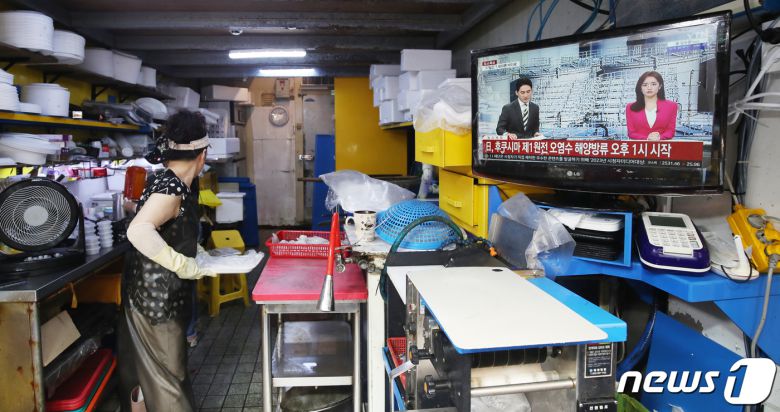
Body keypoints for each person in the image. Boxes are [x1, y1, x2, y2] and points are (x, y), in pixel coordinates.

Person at [118, 110, 216, 412]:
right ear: (202, 155)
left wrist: (195, 252)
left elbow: (170, 228)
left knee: (150, 377)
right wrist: (181, 263)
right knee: (168, 381)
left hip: (157, 294)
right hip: (155, 301)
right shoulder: (170, 187)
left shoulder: (177, 182)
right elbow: (139, 230)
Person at [625, 71, 678, 140]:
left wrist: (659, 137)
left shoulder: (672, 106)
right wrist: (647, 138)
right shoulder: (630, 107)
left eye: (653, 84)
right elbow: (631, 133)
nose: (649, 88)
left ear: (660, 86)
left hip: (663, 145)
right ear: (640, 88)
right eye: (645, 85)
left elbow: (670, 131)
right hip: (639, 146)